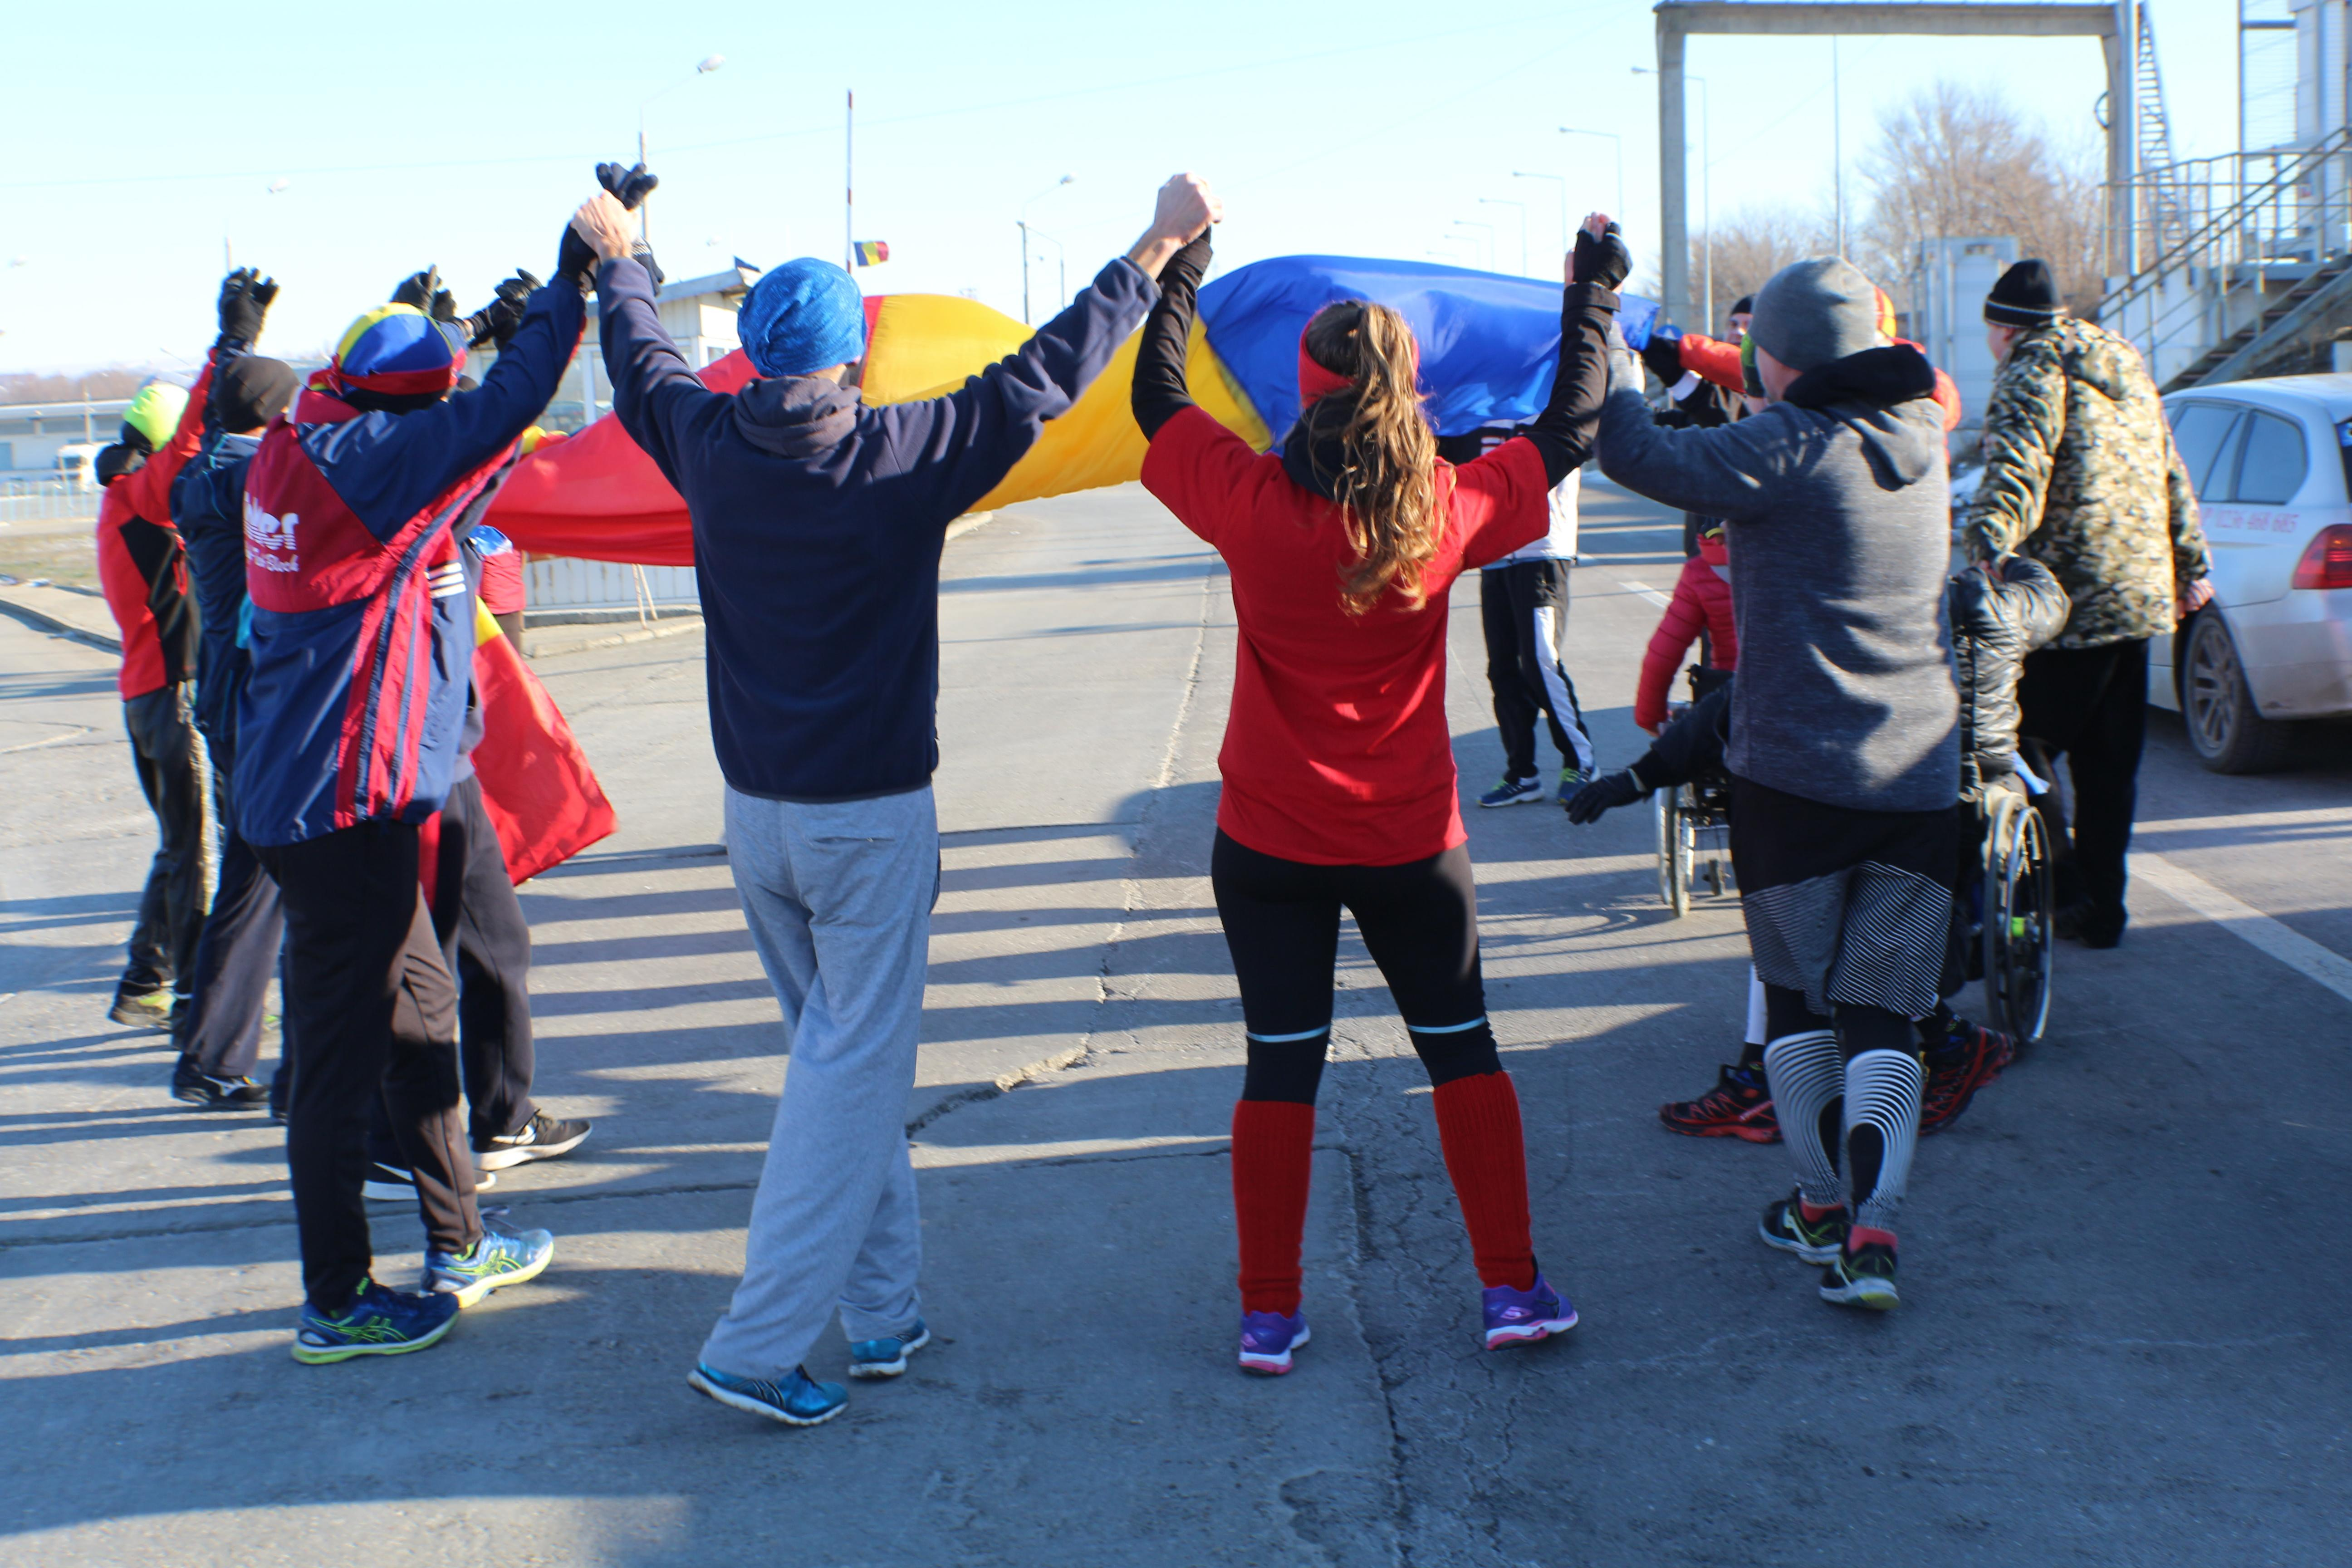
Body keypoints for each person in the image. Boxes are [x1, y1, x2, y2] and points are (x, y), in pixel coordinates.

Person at [586, 170, 1217, 1428]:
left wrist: (622, 259)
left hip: (756, 820)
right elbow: (1045, 373)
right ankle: (756, 1345)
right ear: (850, 359)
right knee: (847, 1076)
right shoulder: (901, 453)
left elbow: (641, 355)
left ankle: (881, 1312)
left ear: (753, 355)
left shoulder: (704, 441)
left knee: (842, 1068)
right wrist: (1156, 245)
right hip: (868, 823)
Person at [1131, 212, 1624, 1374]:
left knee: (1279, 1062)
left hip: (1267, 842)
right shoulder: (1443, 510)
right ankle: (1510, 1288)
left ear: (1304, 391)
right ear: (1409, 393)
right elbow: (1569, 428)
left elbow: (1158, 401)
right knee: (1460, 1052)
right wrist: (1590, 292)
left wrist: (1182, 261)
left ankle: (1268, 1313)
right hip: (1408, 841)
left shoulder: (1250, 501)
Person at [238, 221, 587, 1364]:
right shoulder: (384, 481)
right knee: (337, 1066)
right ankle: (336, 1298)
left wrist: (466, 330)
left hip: (319, 796)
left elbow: (428, 401)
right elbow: (505, 408)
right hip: (339, 812)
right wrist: (573, 279)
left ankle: (459, 1240)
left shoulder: (302, 433)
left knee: (424, 1014)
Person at [1596, 255, 1959, 1312]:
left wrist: (1611, 349)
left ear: (1780, 354)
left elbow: (1633, 451)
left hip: (1797, 777)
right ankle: (1876, 1230)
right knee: (1885, 1008)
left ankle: (1817, 1207)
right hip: (1918, 775)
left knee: (1798, 1002)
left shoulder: (1793, 443)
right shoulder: (1925, 435)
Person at [1963, 258, 2214, 949]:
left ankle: (2064, 884)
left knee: (2013, 742)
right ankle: (2105, 912)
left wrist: (1987, 547)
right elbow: (2168, 466)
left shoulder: (2029, 367)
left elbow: (2018, 467)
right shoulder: (2121, 357)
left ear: (2003, 330)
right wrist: (2193, 563)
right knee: (2109, 766)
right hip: (2139, 593)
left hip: (2067, 600)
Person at [166, 271, 300, 1108]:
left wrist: (236, 343)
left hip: (226, 702)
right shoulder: (259, 482)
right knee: (282, 885)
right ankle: (236, 1063)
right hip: (264, 709)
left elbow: (219, 418)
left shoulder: (202, 475)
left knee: (255, 883)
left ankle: (212, 1054)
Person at [94, 348, 217, 1034]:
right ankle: (200, 1003)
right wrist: (224, 357)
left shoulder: (122, 501)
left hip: (146, 698)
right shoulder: (140, 497)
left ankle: (144, 983)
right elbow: (190, 446)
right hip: (172, 698)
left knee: (178, 847)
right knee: (197, 854)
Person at [1437, 423, 1594, 808]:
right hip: (1495, 550)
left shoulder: (1551, 404)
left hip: (1543, 549)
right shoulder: (1477, 409)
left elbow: (1582, 436)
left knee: (1541, 661)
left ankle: (1581, 761)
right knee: (1503, 669)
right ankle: (1522, 773)